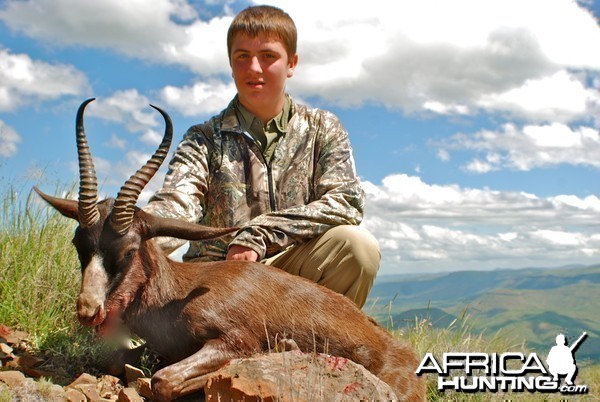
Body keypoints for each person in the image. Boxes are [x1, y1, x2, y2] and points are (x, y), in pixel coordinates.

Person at [144, 5, 380, 308]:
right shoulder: (203, 138)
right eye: (242, 56)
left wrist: (260, 232)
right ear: (231, 64)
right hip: (217, 285)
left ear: (291, 63)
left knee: (357, 247)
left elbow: (346, 201)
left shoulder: (323, 128)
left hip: (291, 276)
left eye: (268, 56)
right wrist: (127, 238)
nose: (254, 68)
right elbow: (176, 206)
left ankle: (317, 348)